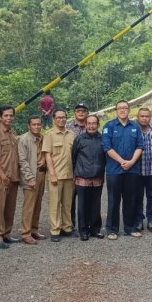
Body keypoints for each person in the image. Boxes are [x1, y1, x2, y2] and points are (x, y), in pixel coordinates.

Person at [102, 101, 144, 240]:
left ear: (129, 110)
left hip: (132, 170)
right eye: (120, 108)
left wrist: (131, 162)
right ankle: (112, 229)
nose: (122, 110)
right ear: (116, 110)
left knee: (130, 199)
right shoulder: (109, 126)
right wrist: (122, 161)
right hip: (114, 170)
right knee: (113, 200)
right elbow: (107, 148)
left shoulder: (135, 127)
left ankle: (130, 228)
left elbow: (140, 146)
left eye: (125, 108)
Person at [0, 106, 21, 249]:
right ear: (0, 117)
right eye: (6, 115)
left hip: (13, 176)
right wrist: (2, 175)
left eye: (11, 115)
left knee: (10, 208)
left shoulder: (12, 133)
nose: (9, 118)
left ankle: (6, 233)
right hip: (0, 177)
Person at [43, 108, 76, 242]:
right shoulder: (49, 134)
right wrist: (52, 174)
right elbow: (47, 155)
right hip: (56, 175)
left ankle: (67, 227)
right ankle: (55, 230)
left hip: (70, 175)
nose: (61, 119)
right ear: (54, 119)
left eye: (63, 117)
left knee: (67, 204)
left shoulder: (71, 134)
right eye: (58, 117)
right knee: (55, 204)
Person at [72, 115, 106, 240]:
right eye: (89, 123)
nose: (91, 126)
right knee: (82, 205)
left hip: (98, 176)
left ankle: (95, 229)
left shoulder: (103, 138)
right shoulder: (79, 139)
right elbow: (74, 156)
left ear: (98, 125)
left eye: (94, 123)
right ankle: (83, 230)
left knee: (96, 204)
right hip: (82, 177)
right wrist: (75, 173)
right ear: (85, 125)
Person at [18, 116, 47, 244]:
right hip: (30, 176)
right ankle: (25, 233)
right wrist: (30, 178)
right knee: (29, 206)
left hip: (41, 174)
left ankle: (34, 230)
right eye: (33, 124)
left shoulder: (42, 138)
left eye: (38, 124)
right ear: (28, 126)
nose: (36, 126)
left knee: (38, 205)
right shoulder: (24, 139)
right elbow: (22, 161)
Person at [136, 107, 152, 232]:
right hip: (138, 171)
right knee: (138, 196)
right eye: (142, 116)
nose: (144, 118)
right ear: (137, 117)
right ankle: (139, 220)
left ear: (150, 117)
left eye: (147, 116)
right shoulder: (134, 131)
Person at [67, 102, 89, 231]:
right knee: (70, 198)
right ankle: (70, 224)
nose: (81, 113)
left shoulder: (91, 126)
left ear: (87, 113)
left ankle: (85, 224)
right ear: (74, 113)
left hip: (87, 168)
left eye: (83, 110)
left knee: (85, 198)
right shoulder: (68, 128)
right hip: (71, 166)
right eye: (78, 111)